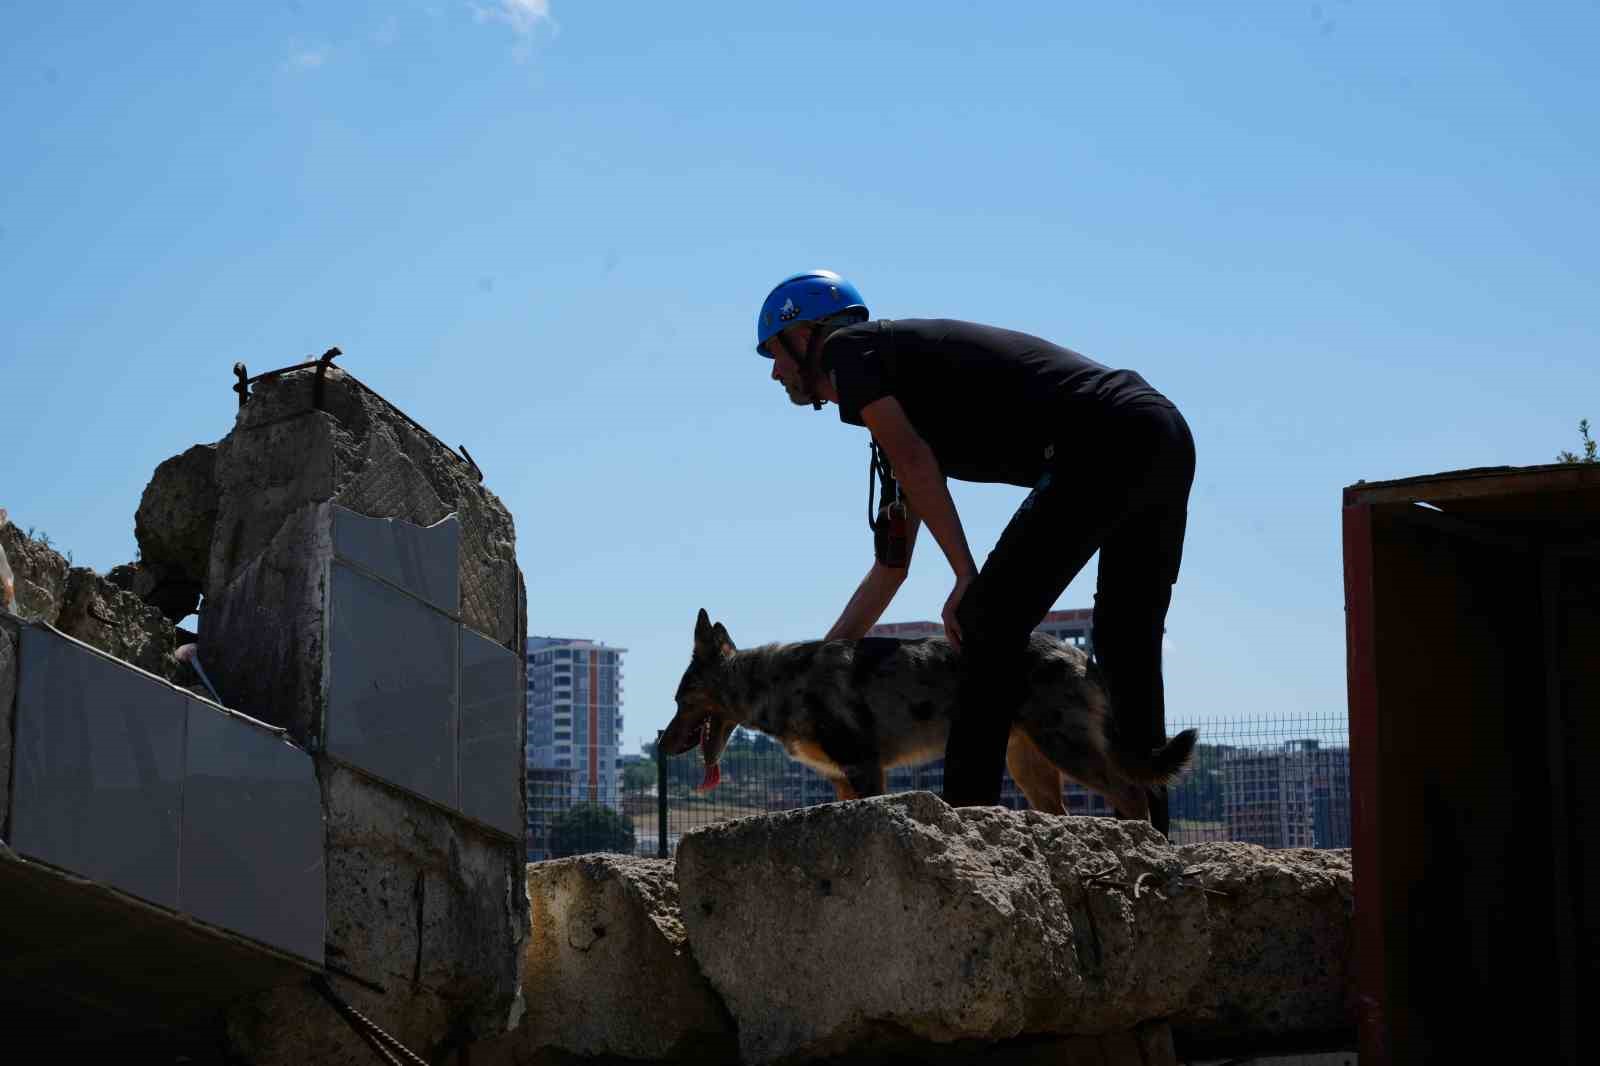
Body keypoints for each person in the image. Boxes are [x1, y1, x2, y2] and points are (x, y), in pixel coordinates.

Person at [756, 270, 1195, 834]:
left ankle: (967, 835)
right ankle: (1150, 841)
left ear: (807, 334)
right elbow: (892, 567)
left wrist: (966, 577)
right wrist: (820, 664)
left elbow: (917, 463)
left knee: (985, 620)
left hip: (1106, 438)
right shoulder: (889, 402)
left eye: (774, 351)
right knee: (1125, 641)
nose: (773, 371)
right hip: (1160, 432)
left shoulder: (850, 349)